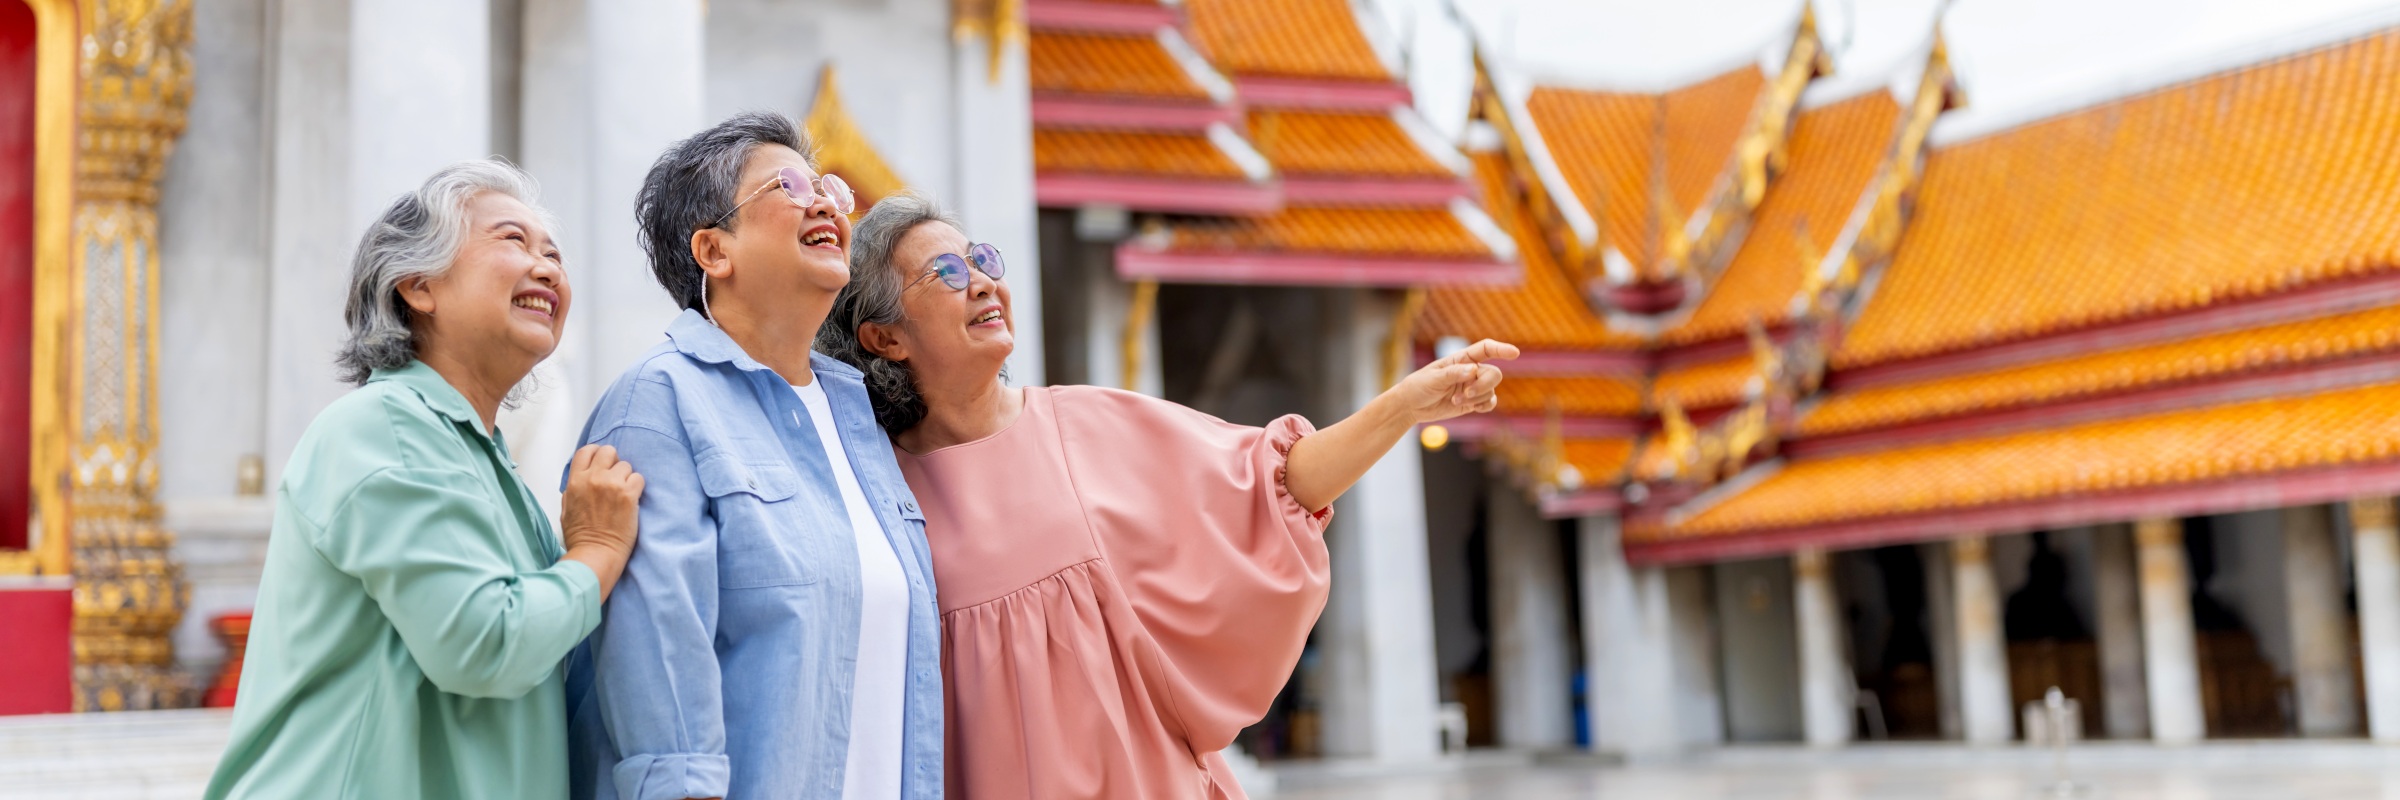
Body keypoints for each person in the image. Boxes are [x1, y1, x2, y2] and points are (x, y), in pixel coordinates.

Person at [818, 192, 1516, 799]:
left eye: (984, 262)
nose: (981, 284)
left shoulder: (1086, 425)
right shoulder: (875, 493)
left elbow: (1276, 485)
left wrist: (1403, 407)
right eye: (946, 273)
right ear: (886, 337)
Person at [204, 161, 644, 800]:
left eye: (554, 253)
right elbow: (486, 643)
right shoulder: (386, 427)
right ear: (418, 286)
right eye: (512, 241)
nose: (547, 267)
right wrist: (597, 552)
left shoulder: (474, 452)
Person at [565, 112, 942, 800]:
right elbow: (660, 677)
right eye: (789, 186)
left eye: (827, 185)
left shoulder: (857, 415)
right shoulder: (658, 405)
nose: (824, 200)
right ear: (714, 251)